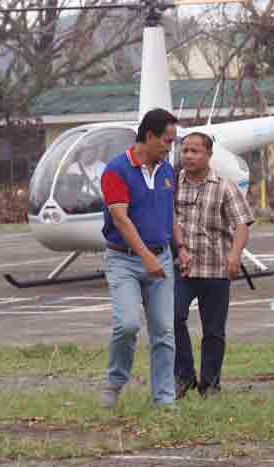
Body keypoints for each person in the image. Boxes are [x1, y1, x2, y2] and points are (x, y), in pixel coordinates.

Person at [99, 108, 178, 408]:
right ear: (149, 136)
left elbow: (171, 216)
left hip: (162, 258)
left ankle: (164, 400)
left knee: (164, 332)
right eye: (167, 141)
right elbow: (120, 219)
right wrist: (145, 257)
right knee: (128, 324)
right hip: (125, 260)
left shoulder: (167, 171)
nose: (170, 147)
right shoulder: (116, 171)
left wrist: (179, 248)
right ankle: (115, 381)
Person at [173, 132, 254, 399]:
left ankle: (210, 384)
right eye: (184, 150)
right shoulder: (172, 184)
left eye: (194, 151)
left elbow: (242, 223)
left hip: (216, 269)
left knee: (214, 330)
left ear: (209, 155)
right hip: (182, 268)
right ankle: (183, 376)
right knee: (173, 318)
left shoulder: (224, 186)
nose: (188, 156)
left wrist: (234, 256)